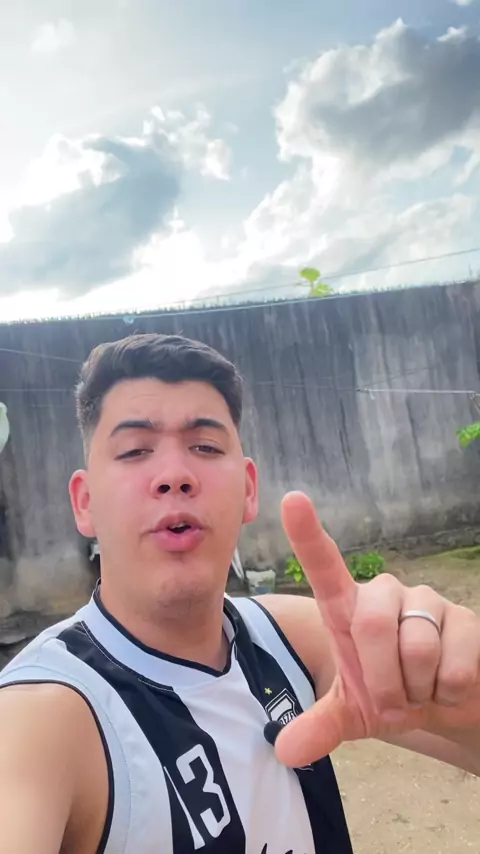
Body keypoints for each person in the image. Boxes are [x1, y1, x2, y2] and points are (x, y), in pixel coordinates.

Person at [0, 333, 478, 854]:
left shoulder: (289, 639)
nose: (175, 476)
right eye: (135, 450)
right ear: (85, 501)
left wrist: (461, 700)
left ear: (249, 489)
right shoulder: (43, 718)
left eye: (205, 447)